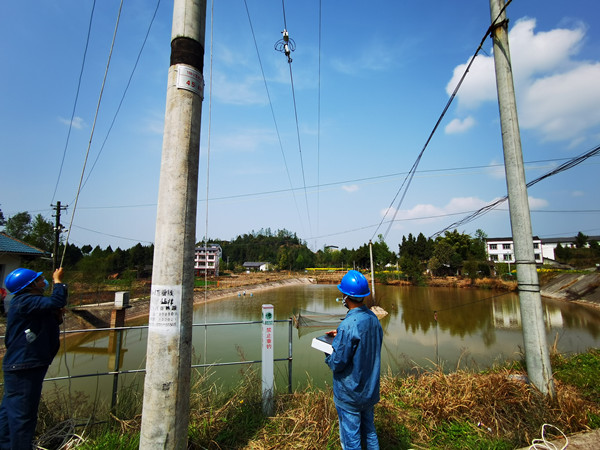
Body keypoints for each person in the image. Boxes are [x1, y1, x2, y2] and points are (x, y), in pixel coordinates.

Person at [0, 267, 68, 450]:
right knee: (23, 416)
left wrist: (57, 317)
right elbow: (57, 300)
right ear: (30, 285)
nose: (43, 281)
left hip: (22, 364)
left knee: (10, 412)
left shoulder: (26, 303)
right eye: (40, 279)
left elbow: (43, 321)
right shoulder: (26, 301)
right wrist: (58, 281)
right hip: (24, 365)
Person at [325, 270, 383, 450]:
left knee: (351, 438)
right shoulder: (373, 319)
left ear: (345, 296)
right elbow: (367, 344)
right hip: (369, 390)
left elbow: (337, 363)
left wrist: (328, 351)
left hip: (350, 394)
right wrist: (341, 336)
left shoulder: (348, 325)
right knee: (369, 431)